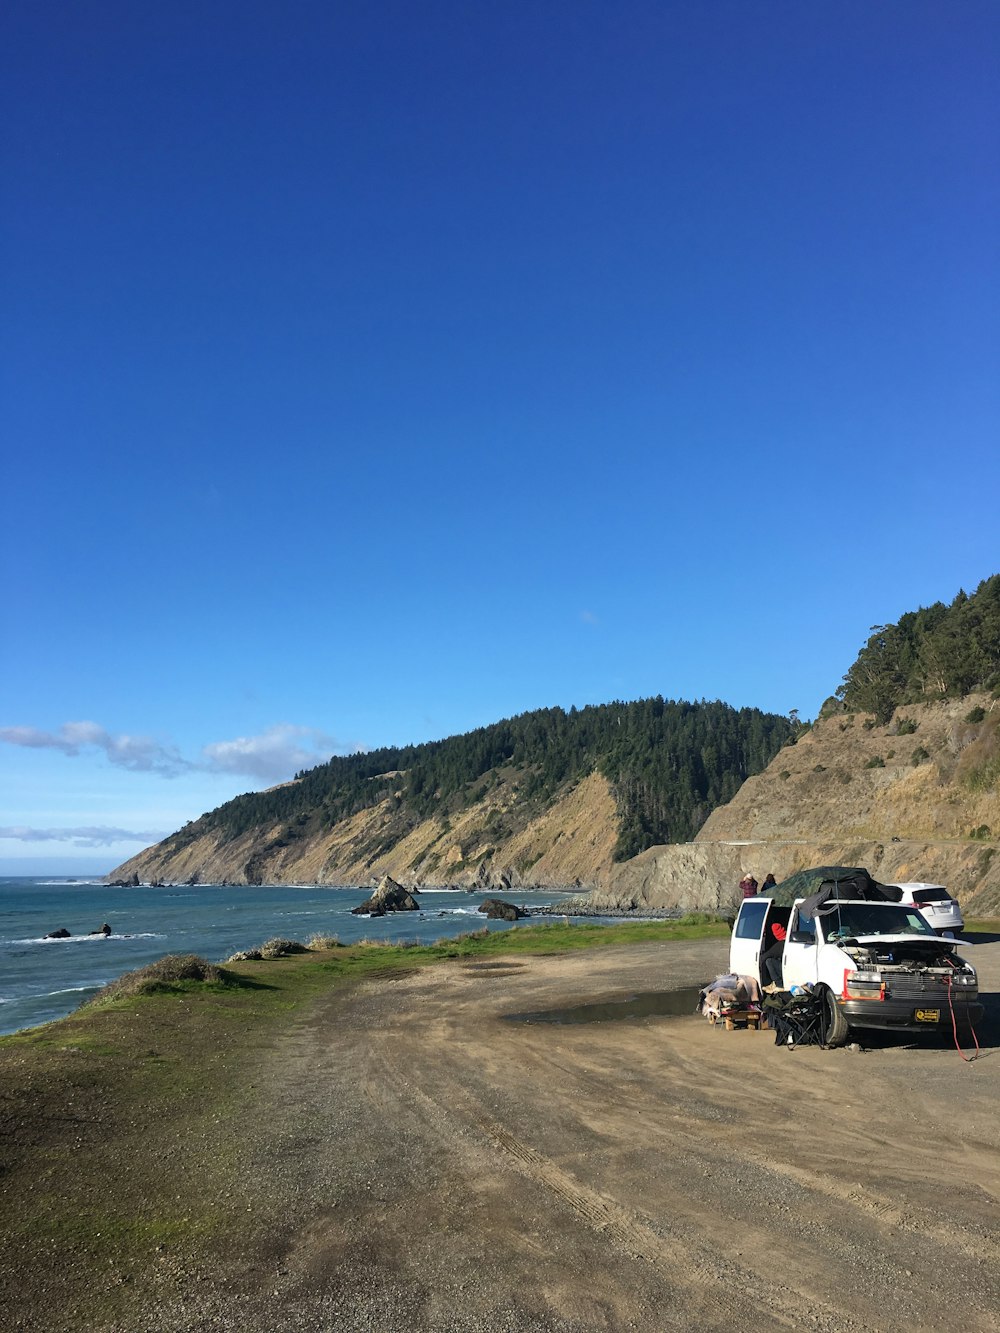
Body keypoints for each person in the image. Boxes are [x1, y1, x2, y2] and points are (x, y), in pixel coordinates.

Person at [760, 919, 787, 987]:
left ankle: (779, 985)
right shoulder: (789, 941)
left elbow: (764, 957)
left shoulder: (780, 945)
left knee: (769, 961)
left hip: (787, 970)